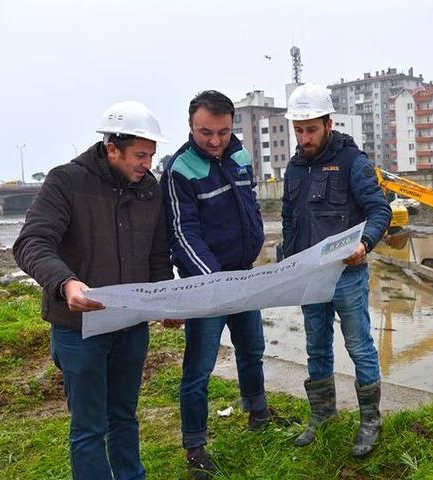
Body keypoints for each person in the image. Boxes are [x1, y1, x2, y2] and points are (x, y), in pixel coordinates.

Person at [13, 101, 173, 480]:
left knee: (124, 417)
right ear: (112, 148)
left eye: (151, 155)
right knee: (89, 427)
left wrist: (166, 299)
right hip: (79, 329)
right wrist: (65, 282)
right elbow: (32, 243)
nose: (147, 164)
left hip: (130, 327)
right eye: (140, 155)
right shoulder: (66, 182)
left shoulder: (149, 190)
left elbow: (156, 255)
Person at [161, 90, 278, 478]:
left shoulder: (240, 155)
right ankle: (195, 446)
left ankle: (258, 412)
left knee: (252, 349)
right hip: (206, 284)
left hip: (243, 274)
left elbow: (250, 206)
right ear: (190, 126)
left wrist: (255, 244)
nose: (215, 141)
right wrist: (214, 281)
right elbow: (183, 233)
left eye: (223, 132)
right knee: (199, 366)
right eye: (205, 132)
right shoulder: (179, 170)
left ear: (232, 126)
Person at [281, 83, 392, 456]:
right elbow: (290, 219)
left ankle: (370, 422)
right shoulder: (294, 168)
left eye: (311, 129)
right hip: (310, 277)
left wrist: (365, 244)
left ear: (328, 124)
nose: (304, 138)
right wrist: (289, 262)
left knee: (359, 346)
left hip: (347, 275)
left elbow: (379, 210)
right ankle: (323, 416)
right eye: (298, 129)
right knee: (316, 347)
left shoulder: (352, 162)